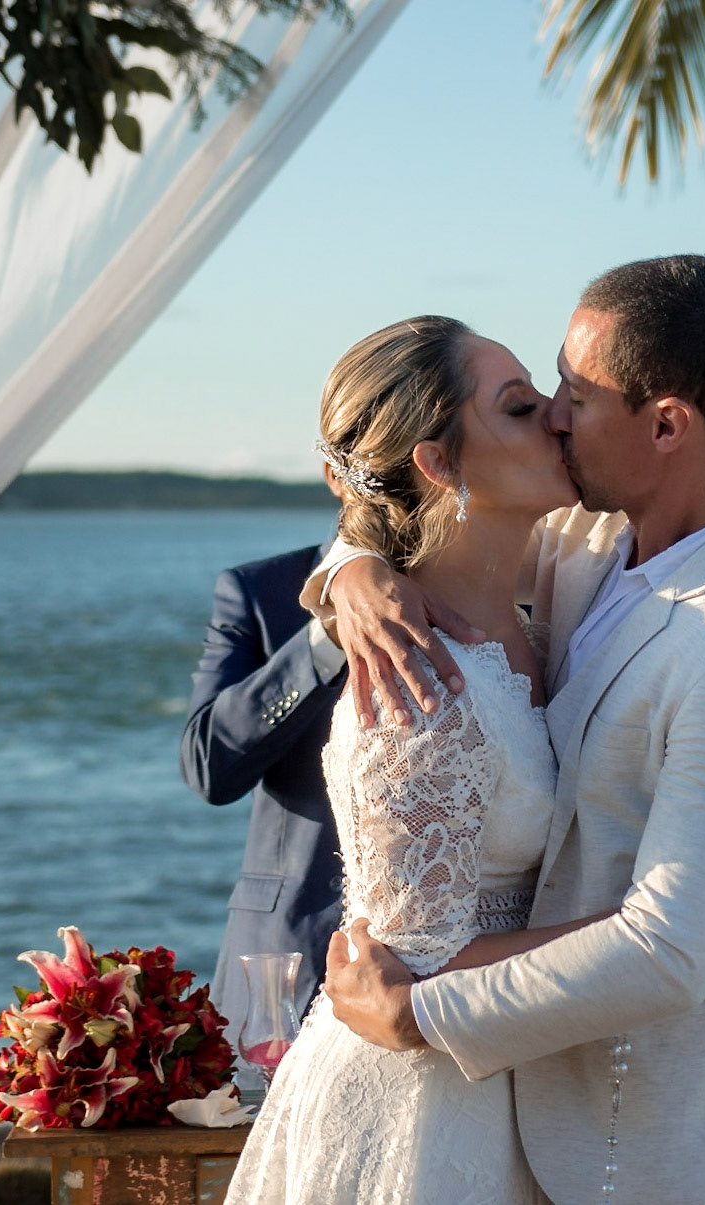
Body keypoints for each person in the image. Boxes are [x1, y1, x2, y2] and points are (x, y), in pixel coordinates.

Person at [312, 256, 705, 1204]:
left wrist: (419, 1011)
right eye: (542, 391)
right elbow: (421, 500)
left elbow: (670, 951)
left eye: (573, 395)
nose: (556, 414)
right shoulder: (596, 535)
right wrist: (352, 569)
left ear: (668, 425)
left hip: (670, 1134)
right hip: (523, 1110)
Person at [225, 315, 626, 1204]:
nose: (560, 418)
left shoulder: (533, 620)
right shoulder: (414, 680)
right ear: (439, 463)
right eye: (521, 407)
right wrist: (650, 932)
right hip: (426, 1113)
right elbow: (413, 967)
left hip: (513, 1080)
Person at [180, 491, 350, 1064]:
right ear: (338, 473)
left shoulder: (510, 593)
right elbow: (208, 766)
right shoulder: (261, 591)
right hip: (289, 966)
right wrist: (324, 640)